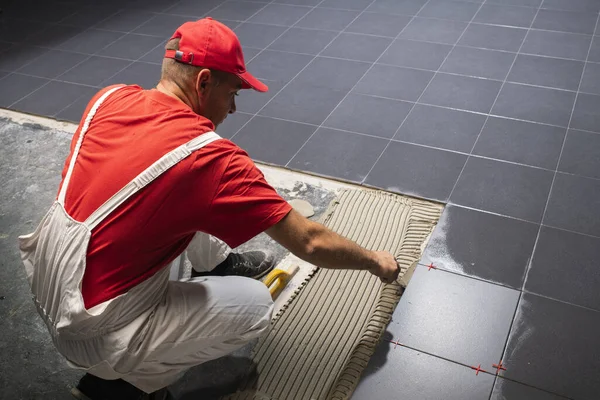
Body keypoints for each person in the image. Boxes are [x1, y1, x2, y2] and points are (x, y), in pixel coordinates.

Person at [18, 17, 400, 400]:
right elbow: (311, 243)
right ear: (203, 82)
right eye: (233, 92)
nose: (233, 108)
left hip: (51, 286)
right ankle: (127, 384)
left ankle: (216, 264)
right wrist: (373, 260)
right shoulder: (211, 159)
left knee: (182, 192)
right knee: (254, 306)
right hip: (96, 329)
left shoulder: (110, 98)